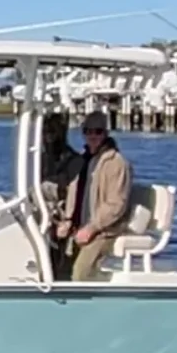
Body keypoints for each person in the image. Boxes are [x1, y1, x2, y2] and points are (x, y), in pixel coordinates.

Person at [65, 111, 133, 281]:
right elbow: (74, 193)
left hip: (105, 230)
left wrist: (92, 228)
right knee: (58, 263)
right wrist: (67, 220)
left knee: (80, 273)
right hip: (81, 226)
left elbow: (116, 204)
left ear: (105, 133)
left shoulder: (116, 163)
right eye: (88, 131)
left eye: (98, 131)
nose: (92, 136)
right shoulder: (85, 160)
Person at [38, 112, 83, 280]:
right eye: (45, 132)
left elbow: (75, 194)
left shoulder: (75, 161)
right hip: (43, 210)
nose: (48, 137)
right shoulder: (40, 160)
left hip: (64, 214)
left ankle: (58, 273)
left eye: (52, 132)